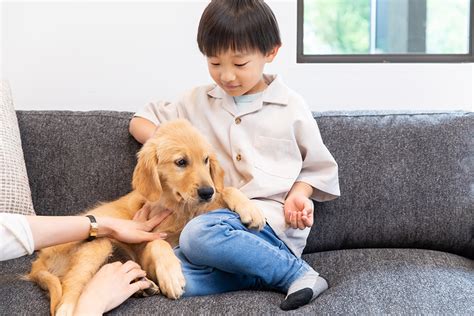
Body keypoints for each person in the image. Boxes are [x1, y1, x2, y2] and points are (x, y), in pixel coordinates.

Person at [129, 0, 340, 311]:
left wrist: (299, 194)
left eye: (239, 64)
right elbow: (140, 121)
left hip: (268, 228)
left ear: (271, 52)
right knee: (168, 271)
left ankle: (296, 272)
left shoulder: (291, 107)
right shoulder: (195, 101)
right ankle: (258, 276)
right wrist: (165, 143)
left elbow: (318, 168)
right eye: (215, 63)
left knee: (196, 235)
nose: (226, 76)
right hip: (217, 227)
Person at [0, 207, 171, 315]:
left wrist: (109, 227)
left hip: (67, 246)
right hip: (64, 260)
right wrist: (94, 300)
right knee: (98, 247)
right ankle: (69, 301)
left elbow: (15, 232)